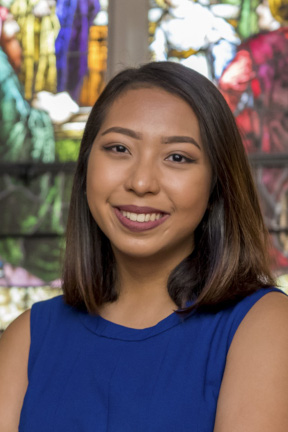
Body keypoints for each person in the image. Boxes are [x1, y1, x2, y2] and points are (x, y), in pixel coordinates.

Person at [0, 61, 288, 432]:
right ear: (86, 166)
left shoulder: (264, 325)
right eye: (119, 148)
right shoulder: (27, 338)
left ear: (216, 184)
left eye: (177, 157)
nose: (140, 182)